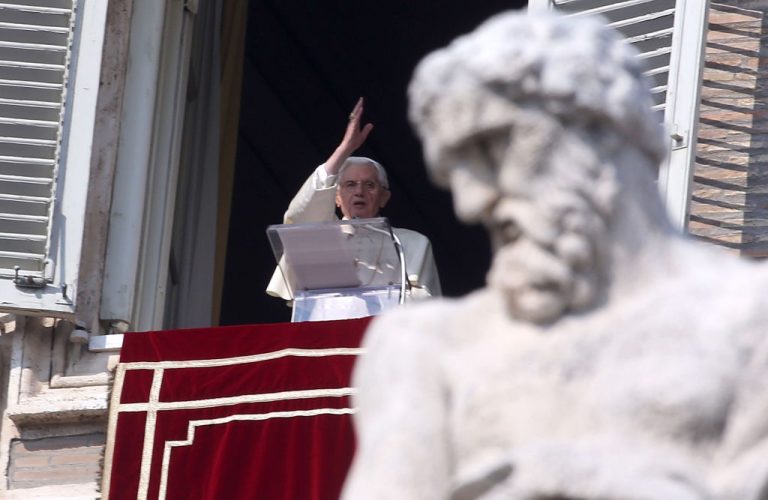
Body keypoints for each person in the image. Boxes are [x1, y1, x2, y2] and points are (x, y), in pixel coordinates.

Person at [342, 10, 768, 500]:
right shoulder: (425, 348)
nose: (471, 202)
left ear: (603, 132)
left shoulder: (750, 319)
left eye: (492, 150)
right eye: (458, 171)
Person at [266, 97, 441, 303]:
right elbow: (299, 214)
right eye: (350, 185)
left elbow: (426, 306)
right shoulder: (318, 240)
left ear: (384, 198)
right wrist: (344, 150)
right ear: (336, 198)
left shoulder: (412, 244)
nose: (360, 191)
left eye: (369, 185)